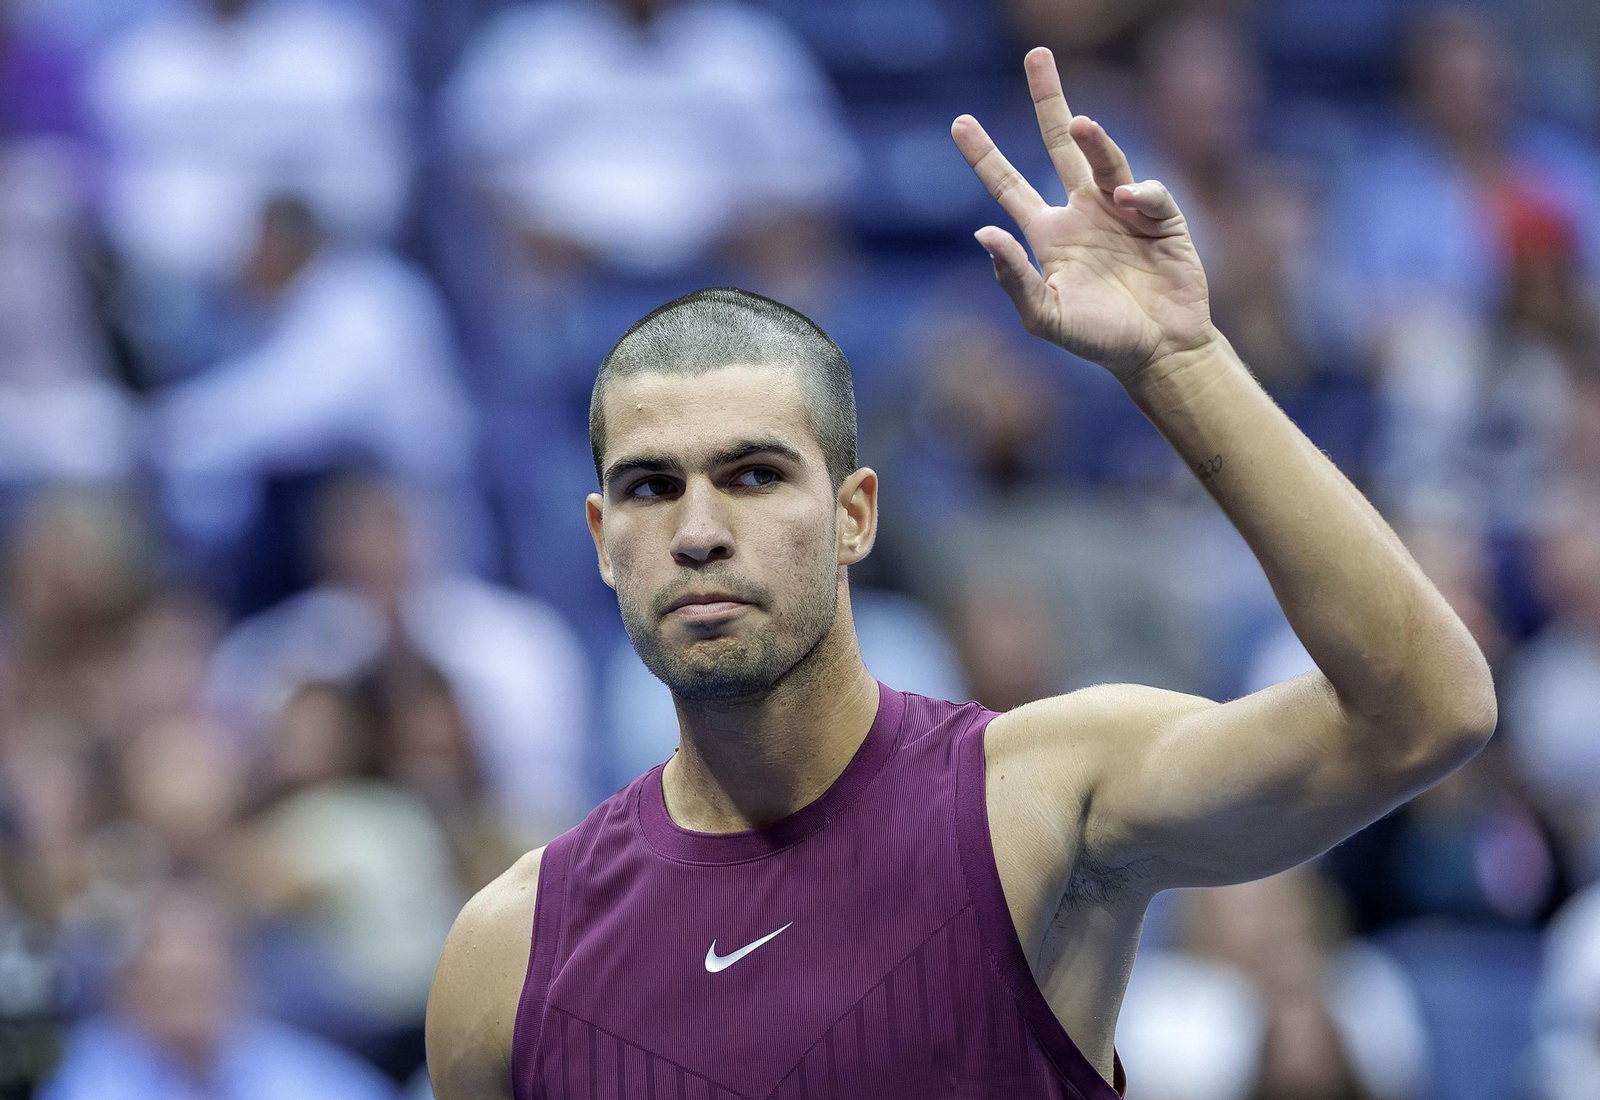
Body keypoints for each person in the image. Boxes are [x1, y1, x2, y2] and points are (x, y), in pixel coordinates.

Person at [425, 48, 1497, 1099]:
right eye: (653, 487)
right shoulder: (505, 956)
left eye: (753, 475)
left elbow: (1422, 711)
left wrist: (1179, 362)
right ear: (603, 539)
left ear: (855, 515)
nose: (699, 529)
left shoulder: (1038, 796)